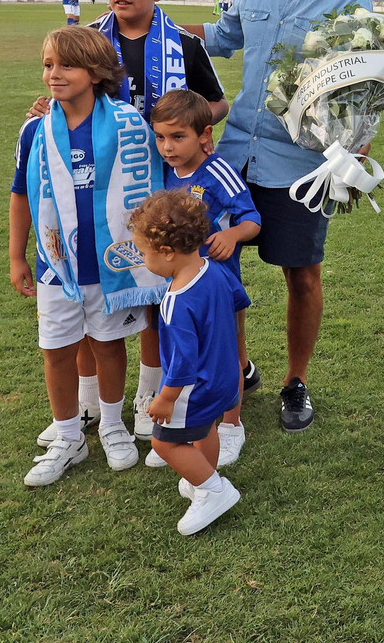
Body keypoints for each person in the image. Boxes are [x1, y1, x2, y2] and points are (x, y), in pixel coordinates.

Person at [179, 0, 374, 433]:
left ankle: (295, 382)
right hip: (236, 153)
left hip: (299, 164)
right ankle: (238, 368)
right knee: (220, 269)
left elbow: (364, 82)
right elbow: (221, 38)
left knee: (302, 276)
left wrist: (358, 145)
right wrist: (146, 24)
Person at [28, 0, 230, 444]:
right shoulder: (89, 39)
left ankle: (147, 396)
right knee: (91, 284)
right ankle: (91, 403)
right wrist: (46, 107)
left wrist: (171, 129)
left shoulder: (182, 42)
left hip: (159, 182)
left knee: (151, 288)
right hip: (96, 187)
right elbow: (65, 93)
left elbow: (217, 102)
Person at [10, 26, 166, 486]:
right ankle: (68, 436)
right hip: (56, 264)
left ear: (96, 73)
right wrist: (17, 257)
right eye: (47, 65)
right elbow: (20, 194)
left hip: (113, 265)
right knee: (56, 350)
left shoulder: (128, 125)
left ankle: (113, 424)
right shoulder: (35, 129)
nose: (53, 74)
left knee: (107, 343)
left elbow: (157, 182)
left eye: (65, 65)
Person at [151, 89, 262, 468]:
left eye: (178, 137)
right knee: (186, 355)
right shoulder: (162, 169)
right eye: (161, 137)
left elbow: (252, 219)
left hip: (218, 286)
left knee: (228, 356)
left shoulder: (217, 172)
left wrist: (231, 235)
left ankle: (232, 426)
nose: (167, 147)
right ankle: (189, 427)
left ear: (205, 135)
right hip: (179, 285)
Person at [131, 189, 246, 535]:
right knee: (205, 427)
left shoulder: (175, 301)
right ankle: (203, 478)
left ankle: (213, 490)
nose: (142, 258)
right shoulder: (215, 270)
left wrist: (164, 398)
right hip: (225, 377)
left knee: (163, 441)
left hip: (196, 386)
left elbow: (182, 362)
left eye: (142, 252)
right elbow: (239, 300)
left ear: (166, 253)